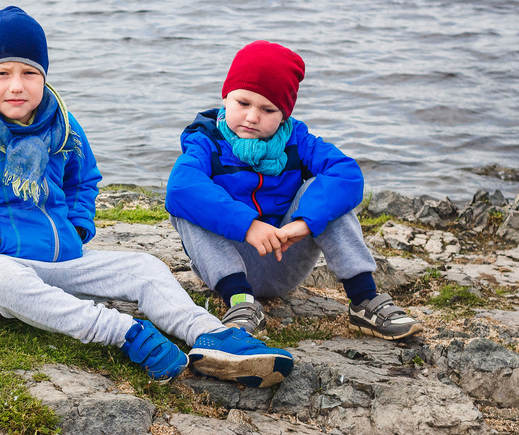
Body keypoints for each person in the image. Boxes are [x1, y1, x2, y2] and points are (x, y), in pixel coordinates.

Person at [0, 7, 294, 386]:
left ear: (43, 77)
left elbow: (83, 179)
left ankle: (214, 338)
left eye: (29, 73)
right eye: (1, 73)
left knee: (145, 267)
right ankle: (125, 334)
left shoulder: (63, 127)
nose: (16, 85)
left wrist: (76, 226)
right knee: (0, 279)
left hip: (62, 258)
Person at [166, 41, 422, 341]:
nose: (251, 117)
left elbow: (347, 173)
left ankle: (364, 300)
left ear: (284, 114)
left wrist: (304, 222)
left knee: (325, 193)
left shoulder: (297, 141)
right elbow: (181, 187)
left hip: (282, 257)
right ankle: (240, 303)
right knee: (187, 201)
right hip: (224, 265)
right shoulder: (206, 140)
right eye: (243, 103)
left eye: (267, 109)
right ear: (225, 98)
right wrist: (247, 226)